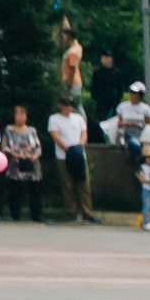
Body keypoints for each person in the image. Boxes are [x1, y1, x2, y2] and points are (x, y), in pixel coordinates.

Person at [48, 96, 94, 224]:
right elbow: (55, 136)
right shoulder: (54, 119)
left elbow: (84, 133)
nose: (67, 107)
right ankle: (72, 213)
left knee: (84, 185)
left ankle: (87, 214)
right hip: (63, 155)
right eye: (64, 104)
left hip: (79, 154)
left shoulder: (78, 118)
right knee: (67, 185)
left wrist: (79, 146)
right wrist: (67, 149)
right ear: (60, 105)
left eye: (69, 104)